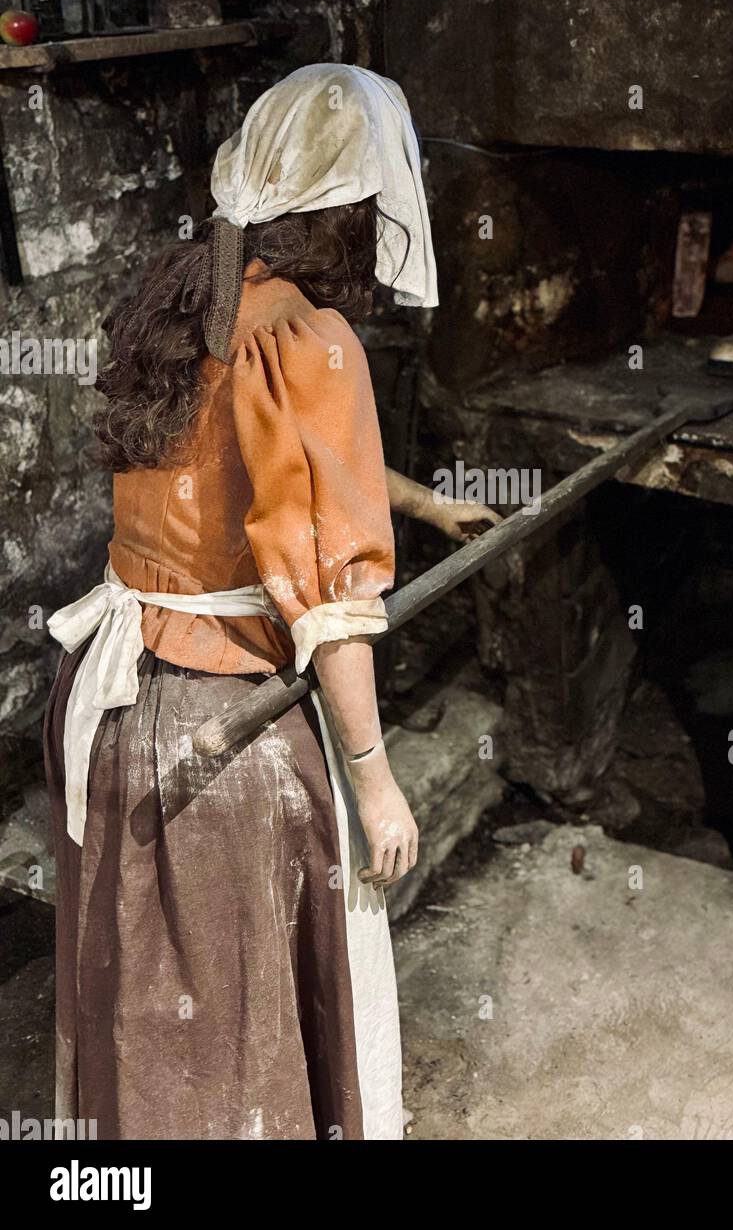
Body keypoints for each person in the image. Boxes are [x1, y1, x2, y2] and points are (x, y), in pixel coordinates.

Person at [43, 64, 498, 1141]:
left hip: (103, 707)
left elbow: (257, 454)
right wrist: (378, 784)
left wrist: (426, 504)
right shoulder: (314, 339)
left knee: (139, 1012)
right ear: (347, 209)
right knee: (231, 1040)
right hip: (217, 737)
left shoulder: (184, 294)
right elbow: (330, 603)